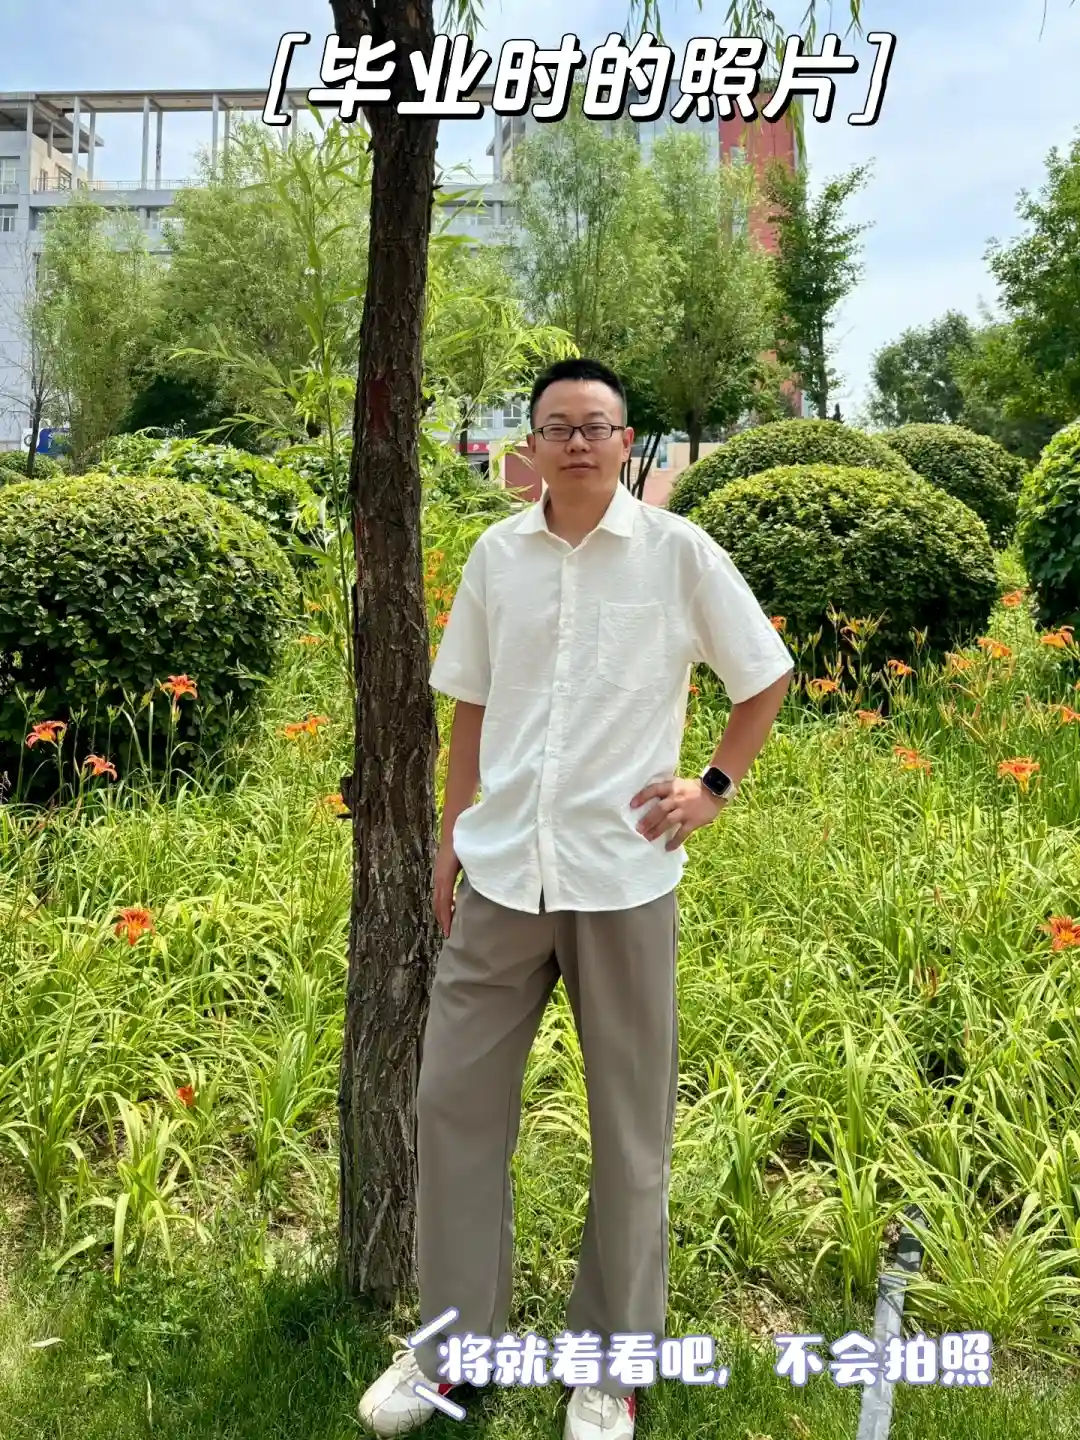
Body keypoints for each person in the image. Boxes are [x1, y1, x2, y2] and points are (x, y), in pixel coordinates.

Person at [358, 358, 794, 1440]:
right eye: (559, 426)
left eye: (597, 425)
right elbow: (469, 706)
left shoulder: (678, 553)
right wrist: (451, 839)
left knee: (629, 1133)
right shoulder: (496, 557)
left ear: (626, 440)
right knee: (453, 1108)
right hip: (505, 873)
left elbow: (764, 674)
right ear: (533, 445)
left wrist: (714, 787)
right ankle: (456, 1354)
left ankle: (610, 1366)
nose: (579, 442)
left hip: (622, 877)